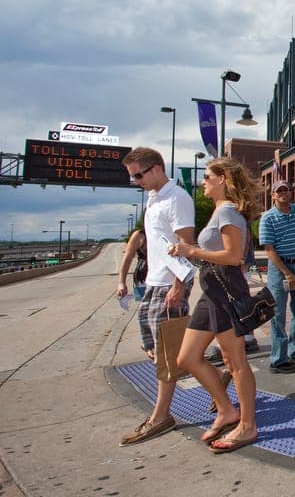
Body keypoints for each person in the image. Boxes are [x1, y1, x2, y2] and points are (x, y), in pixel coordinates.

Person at [170, 157, 263, 453]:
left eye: (208, 177)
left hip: (225, 289)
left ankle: (247, 426)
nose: (203, 182)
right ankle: (226, 410)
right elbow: (215, 254)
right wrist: (188, 253)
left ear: (223, 179)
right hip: (210, 288)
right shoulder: (218, 212)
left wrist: (192, 249)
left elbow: (234, 257)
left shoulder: (230, 213)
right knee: (186, 358)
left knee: (235, 361)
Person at [118, 147, 195, 447]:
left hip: (170, 283)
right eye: (132, 177)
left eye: (138, 175)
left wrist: (178, 285)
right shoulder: (154, 200)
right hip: (154, 281)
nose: (136, 181)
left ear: (156, 169)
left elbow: (185, 244)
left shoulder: (177, 199)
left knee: (167, 349)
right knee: (158, 345)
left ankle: (161, 416)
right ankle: (217, 377)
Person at [258, 180, 295, 374]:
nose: (283, 193)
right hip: (278, 268)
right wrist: (287, 273)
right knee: (278, 314)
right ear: (273, 195)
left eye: (286, 190)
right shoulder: (268, 218)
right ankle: (278, 359)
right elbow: (269, 249)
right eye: (279, 191)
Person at [116, 227, 152, 360]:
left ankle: (159, 343)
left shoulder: (166, 229)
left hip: (163, 277)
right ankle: (149, 344)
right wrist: (121, 282)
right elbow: (127, 258)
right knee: (145, 311)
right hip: (143, 278)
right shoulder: (139, 235)